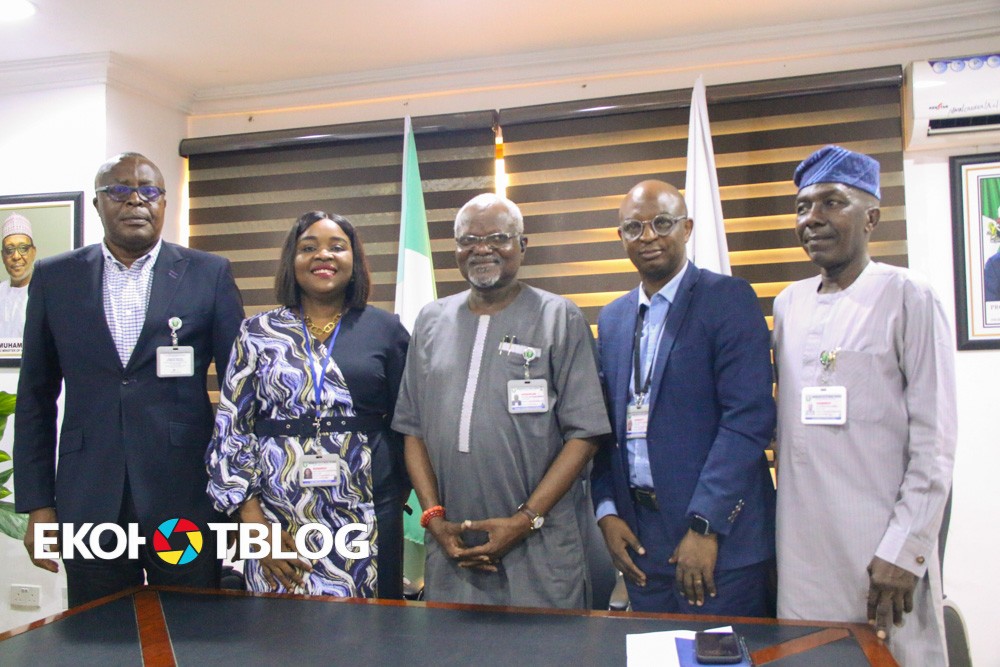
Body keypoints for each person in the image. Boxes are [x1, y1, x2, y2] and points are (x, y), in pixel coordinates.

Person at [13, 152, 245, 606]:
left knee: (188, 624)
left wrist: (238, 499)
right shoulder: (56, 277)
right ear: (97, 204)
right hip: (89, 495)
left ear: (164, 203)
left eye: (149, 191)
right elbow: (35, 398)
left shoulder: (208, 273)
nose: (136, 200)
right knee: (98, 628)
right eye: (119, 190)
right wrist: (39, 507)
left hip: (184, 495)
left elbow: (241, 394)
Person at [773, 146, 957, 666]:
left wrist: (906, 549)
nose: (812, 219)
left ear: (872, 217)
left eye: (832, 203)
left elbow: (935, 441)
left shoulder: (909, 296)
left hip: (881, 556)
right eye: (803, 207)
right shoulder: (788, 304)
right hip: (802, 557)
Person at [392, 193, 610, 609]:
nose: (482, 249)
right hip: (452, 545)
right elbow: (412, 429)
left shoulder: (559, 317)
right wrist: (433, 519)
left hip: (539, 546)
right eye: (469, 240)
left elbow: (584, 435)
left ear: (522, 245)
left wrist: (525, 520)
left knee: (544, 643)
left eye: (497, 238)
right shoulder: (431, 320)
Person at [591, 180, 776, 616]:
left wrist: (706, 525)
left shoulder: (727, 299)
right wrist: (606, 511)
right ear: (621, 237)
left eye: (661, 223)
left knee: (723, 651)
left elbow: (747, 419)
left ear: (687, 228)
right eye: (633, 227)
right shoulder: (613, 319)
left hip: (719, 544)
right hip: (641, 544)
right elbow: (601, 427)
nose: (648, 237)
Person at [206, 211, 410, 598]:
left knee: (370, 627)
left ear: (355, 260)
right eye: (309, 247)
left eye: (338, 247)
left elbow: (408, 426)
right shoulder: (256, 332)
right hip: (277, 515)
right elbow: (232, 429)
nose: (323, 255)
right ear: (292, 260)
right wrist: (255, 525)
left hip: (366, 510)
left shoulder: (385, 329)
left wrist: (394, 493)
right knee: (282, 627)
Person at [0, 212, 37, 338]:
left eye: (23, 248)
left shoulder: (45, 294)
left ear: (33, 252)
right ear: (2, 256)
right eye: (9, 250)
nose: (16, 256)